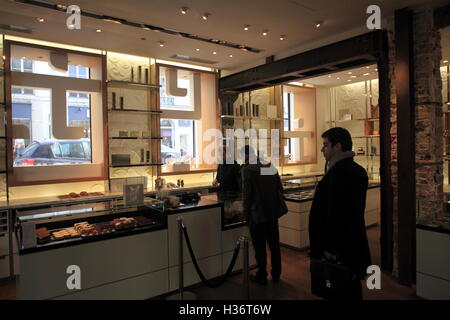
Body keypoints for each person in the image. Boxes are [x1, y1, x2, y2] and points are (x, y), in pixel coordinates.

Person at [309, 127, 371, 300]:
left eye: (325, 144)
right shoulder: (357, 170)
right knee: (349, 283)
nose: (322, 149)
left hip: (338, 247)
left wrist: (330, 247)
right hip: (351, 240)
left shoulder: (338, 173)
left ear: (338, 147)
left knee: (338, 286)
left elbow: (336, 213)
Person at [241, 145, 287, 285]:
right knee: (274, 245)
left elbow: (247, 196)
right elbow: (279, 188)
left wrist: (245, 213)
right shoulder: (269, 166)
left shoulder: (247, 170)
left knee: (259, 246)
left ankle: (262, 274)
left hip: (257, 214)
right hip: (272, 212)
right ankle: (276, 273)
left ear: (246, 155)